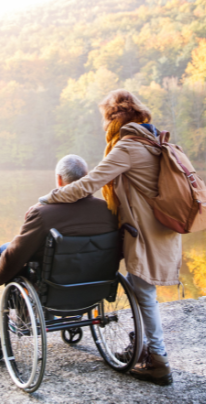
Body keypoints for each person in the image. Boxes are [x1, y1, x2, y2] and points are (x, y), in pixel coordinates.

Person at [36, 89, 180, 386]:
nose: (104, 126)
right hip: (162, 229)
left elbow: (88, 183)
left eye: (105, 119)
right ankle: (144, 348)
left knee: (144, 294)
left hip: (144, 234)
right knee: (144, 293)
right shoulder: (152, 139)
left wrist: (49, 197)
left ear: (114, 118)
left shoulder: (128, 147)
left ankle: (158, 360)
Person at [0, 154, 117, 286]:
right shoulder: (108, 209)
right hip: (95, 285)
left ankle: (18, 304)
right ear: (86, 177)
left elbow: (17, 254)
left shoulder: (42, 214)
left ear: (59, 179)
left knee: (5, 249)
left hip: (54, 287)